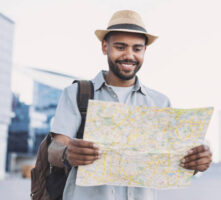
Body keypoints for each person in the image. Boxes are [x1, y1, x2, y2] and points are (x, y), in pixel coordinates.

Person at [48, 10, 212, 200]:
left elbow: (173, 162)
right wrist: (67, 153)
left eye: (137, 49)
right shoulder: (76, 94)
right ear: (104, 47)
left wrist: (197, 162)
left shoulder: (160, 102)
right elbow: (54, 148)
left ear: (144, 51)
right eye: (120, 47)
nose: (129, 55)